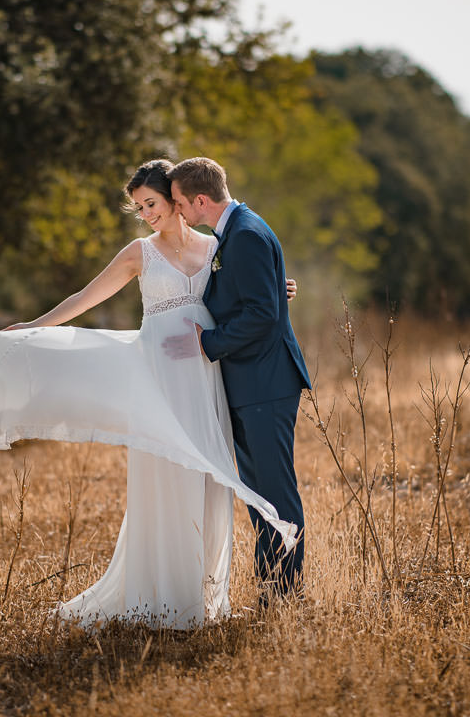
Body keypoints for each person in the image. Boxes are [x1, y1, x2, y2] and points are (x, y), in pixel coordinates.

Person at [0, 159, 298, 629]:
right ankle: (163, 599)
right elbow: (85, 297)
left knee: (208, 483)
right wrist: (36, 326)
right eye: (140, 208)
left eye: (152, 203)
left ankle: (204, 601)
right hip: (160, 376)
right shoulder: (140, 252)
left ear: (178, 200)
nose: (147, 214)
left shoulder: (215, 245)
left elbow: (240, 294)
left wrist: (277, 290)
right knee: (167, 478)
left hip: (204, 377)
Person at [165, 157, 311, 604]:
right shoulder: (239, 230)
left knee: (275, 494)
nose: (178, 212)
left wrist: (207, 343)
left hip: (265, 385)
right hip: (255, 386)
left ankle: (284, 597)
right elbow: (257, 296)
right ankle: (273, 593)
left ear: (201, 200)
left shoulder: (245, 234)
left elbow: (262, 316)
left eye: (178, 203)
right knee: (260, 496)